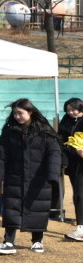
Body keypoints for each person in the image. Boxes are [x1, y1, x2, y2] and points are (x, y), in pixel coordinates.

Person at [0, 99, 61, 255]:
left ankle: (37, 240)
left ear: (30, 112)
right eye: (15, 113)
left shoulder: (44, 131)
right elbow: (2, 155)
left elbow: (54, 153)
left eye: (20, 113)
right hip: (14, 177)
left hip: (39, 178)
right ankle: (8, 242)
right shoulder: (9, 131)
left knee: (37, 209)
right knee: (11, 210)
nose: (17, 116)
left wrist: (52, 175)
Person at [59, 97, 83, 241]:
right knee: (79, 193)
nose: (71, 112)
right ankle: (80, 222)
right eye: (68, 110)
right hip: (74, 162)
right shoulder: (65, 121)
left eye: (73, 109)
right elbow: (61, 139)